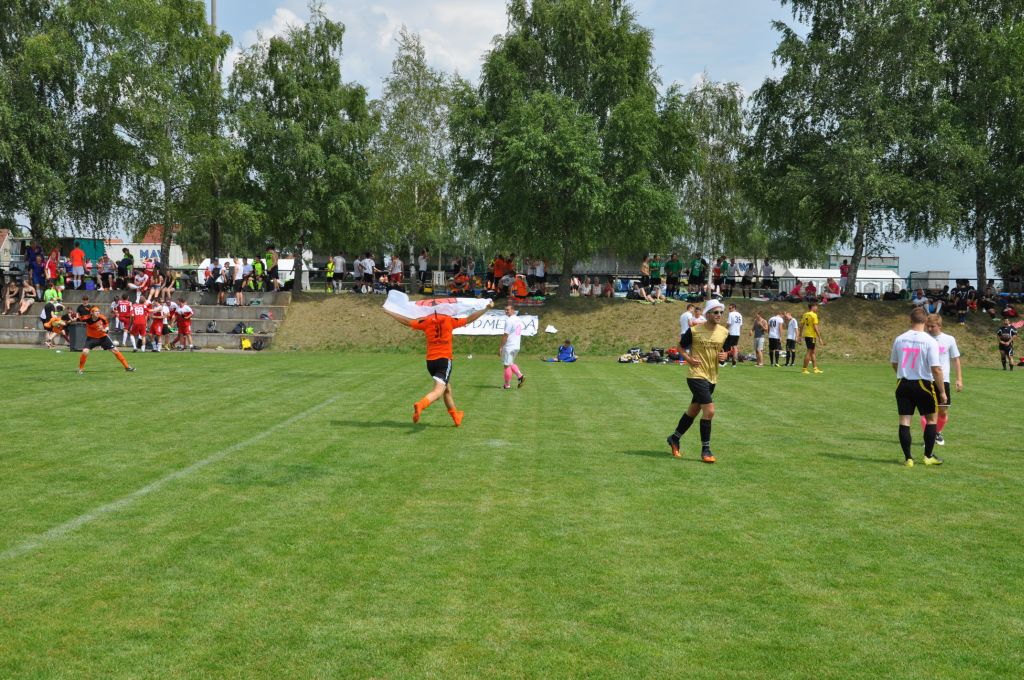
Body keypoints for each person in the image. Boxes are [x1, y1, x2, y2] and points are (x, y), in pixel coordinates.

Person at [385, 300, 493, 426]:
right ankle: (421, 405)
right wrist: (486, 309)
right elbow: (469, 319)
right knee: (438, 392)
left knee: (447, 389)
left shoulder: (426, 321)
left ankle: (456, 417)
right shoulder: (449, 320)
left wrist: (389, 312)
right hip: (444, 360)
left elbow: (407, 321)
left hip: (430, 362)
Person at [666, 299, 730, 463]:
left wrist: (725, 355)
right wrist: (688, 359)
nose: (719, 315)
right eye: (715, 312)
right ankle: (706, 450)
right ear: (707, 314)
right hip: (696, 375)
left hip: (712, 377)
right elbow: (680, 347)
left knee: (693, 411)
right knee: (709, 411)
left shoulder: (724, 332)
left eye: (721, 312)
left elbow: (726, 351)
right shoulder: (694, 330)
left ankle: (674, 438)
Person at [890, 307, 946, 466]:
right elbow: (936, 369)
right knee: (931, 419)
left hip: (903, 383)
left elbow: (894, 363)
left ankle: (908, 458)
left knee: (904, 420)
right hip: (923, 384)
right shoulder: (930, 341)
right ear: (926, 321)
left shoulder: (899, 339)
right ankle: (928, 456)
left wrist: (903, 373)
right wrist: (942, 391)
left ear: (910, 320)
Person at [923, 314, 962, 446]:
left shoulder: (949, 339)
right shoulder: (924, 339)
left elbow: (956, 359)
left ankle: (937, 432)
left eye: (932, 326)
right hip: (926, 378)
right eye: (927, 326)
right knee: (928, 412)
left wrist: (959, 379)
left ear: (939, 325)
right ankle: (929, 437)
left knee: (943, 411)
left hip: (943, 379)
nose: (929, 329)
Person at [77, 306, 136, 374]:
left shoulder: (102, 318)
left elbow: (107, 328)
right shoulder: (86, 318)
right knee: (85, 351)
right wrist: (75, 316)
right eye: (96, 311)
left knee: (115, 350)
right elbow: (78, 318)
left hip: (103, 337)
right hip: (91, 338)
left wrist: (104, 330)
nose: (98, 313)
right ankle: (80, 369)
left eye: (98, 311)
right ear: (92, 313)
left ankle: (127, 367)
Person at [499, 304, 527, 389]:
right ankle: (520, 376)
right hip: (516, 345)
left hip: (509, 346)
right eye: (505, 310)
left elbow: (505, 335)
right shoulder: (518, 319)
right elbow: (517, 332)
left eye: (508, 310)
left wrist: (501, 347)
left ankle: (507, 385)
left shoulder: (509, 320)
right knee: (510, 363)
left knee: (506, 365)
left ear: (513, 310)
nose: (506, 311)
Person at [800, 302, 825, 374]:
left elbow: (801, 326)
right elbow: (815, 327)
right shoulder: (814, 315)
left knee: (813, 352)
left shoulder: (805, 314)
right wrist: (820, 338)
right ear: (812, 307)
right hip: (811, 335)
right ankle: (804, 369)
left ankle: (815, 368)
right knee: (809, 351)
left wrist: (800, 336)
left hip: (807, 335)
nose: (817, 308)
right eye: (816, 306)